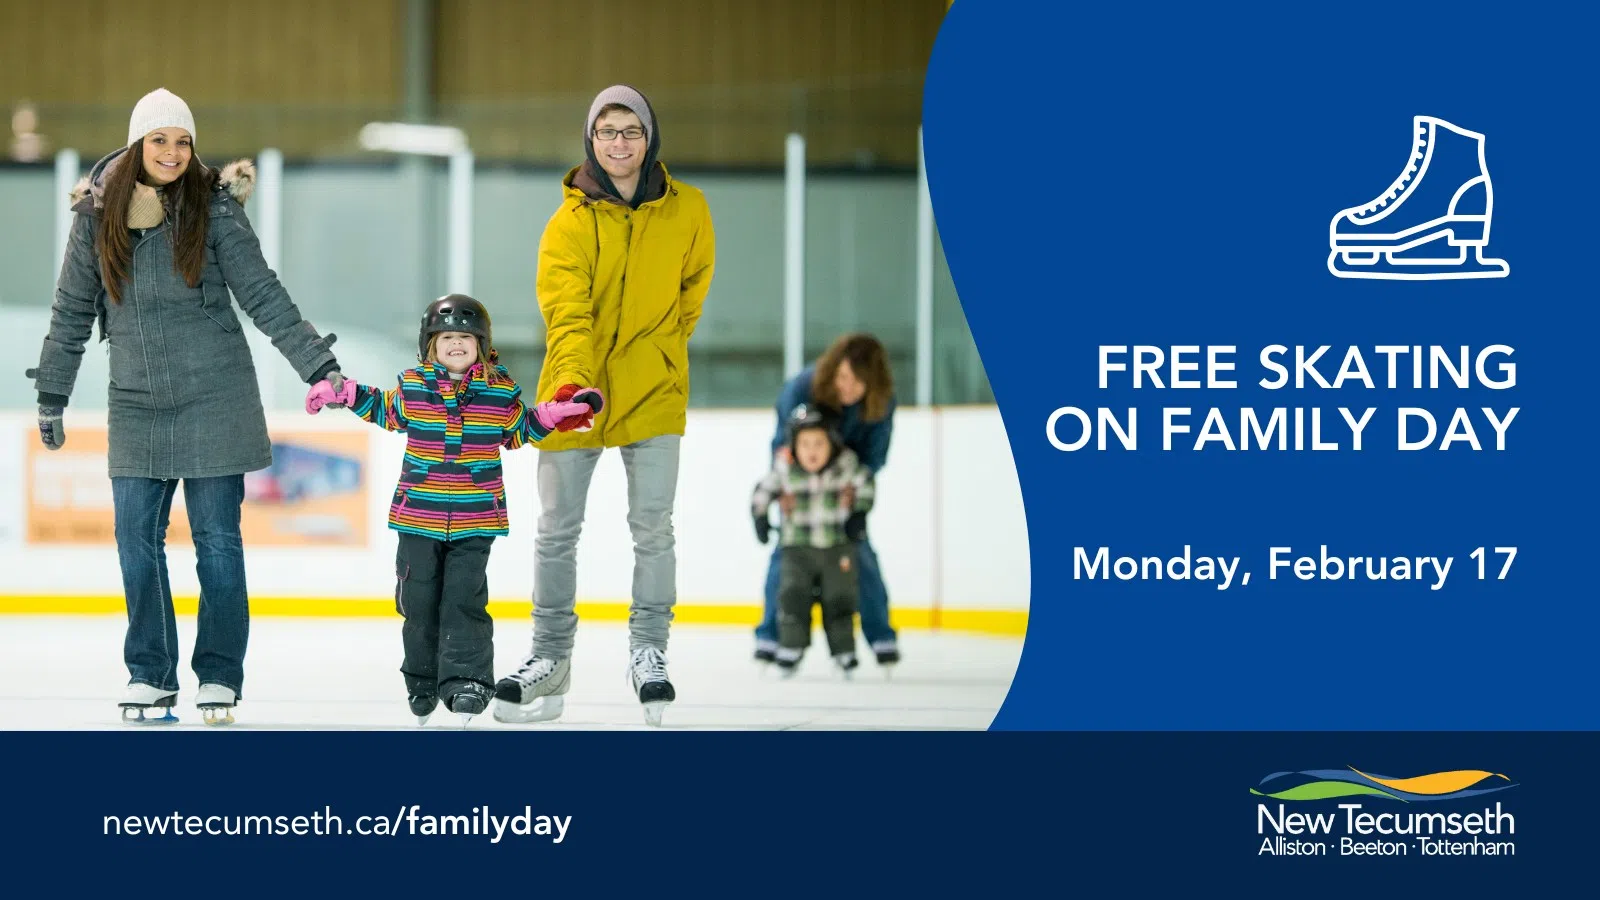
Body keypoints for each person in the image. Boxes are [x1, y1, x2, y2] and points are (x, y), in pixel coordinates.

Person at [26, 88, 344, 725]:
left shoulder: (215, 208)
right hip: (137, 401)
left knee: (218, 545)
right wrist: (52, 393)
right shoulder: (95, 216)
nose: (172, 153)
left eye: (183, 141)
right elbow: (69, 313)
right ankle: (150, 673)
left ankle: (219, 676)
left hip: (216, 395)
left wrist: (318, 364)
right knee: (134, 543)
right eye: (159, 140)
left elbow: (263, 294)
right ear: (138, 145)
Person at [493, 84, 715, 728]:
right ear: (590, 140)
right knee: (556, 533)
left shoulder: (690, 211)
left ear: (650, 138)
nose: (619, 144)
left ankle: (650, 652)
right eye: (607, 132)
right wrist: (572, 387)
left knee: (653, 528)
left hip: (655, 390)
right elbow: (566, 315)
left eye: (631, 131)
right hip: (575, 395)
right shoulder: (568, 224)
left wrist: (663, 354)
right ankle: (549, 659)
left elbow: (690, 296)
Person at [307, 294, 596, 726]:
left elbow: (520, 430)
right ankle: (422, 680)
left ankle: (468, 682)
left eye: (465, 336)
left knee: (464, 602)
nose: (456, 344)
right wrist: (344, 393)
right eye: (446, 337)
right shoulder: (413, 386)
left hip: (475, 518)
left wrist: (555, 415)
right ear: (430, 345)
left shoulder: (499, 392)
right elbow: (383, 408)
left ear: (481, 343)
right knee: (419, 602)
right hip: (417, 518)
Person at [754, 333, 899, 668]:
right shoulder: (803, 387)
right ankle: (770, 635)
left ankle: (880, 636)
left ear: (873, 384)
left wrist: (856, 498)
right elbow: (782, 446)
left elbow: (874, 457)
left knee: (859, 554)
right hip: (801, 490)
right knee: (787, 557)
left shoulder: (882, 402)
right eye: (844, 377)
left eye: (858, 383)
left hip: (841, 490)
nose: (847, 388)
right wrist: (782, 489)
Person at [751, 405, 876, 678]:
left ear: (832, 443)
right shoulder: (786, 469)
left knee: (840, 599)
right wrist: (759, 518)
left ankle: (844, 651)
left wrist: (859, 512)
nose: (812, 451)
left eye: (819, 443)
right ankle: (791, 648)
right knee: (792, 595)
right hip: (797, 549)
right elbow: (762, 490)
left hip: (837, 547)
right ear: (794, 445)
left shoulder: (845, 466)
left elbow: (866, 482)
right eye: (805, 444)